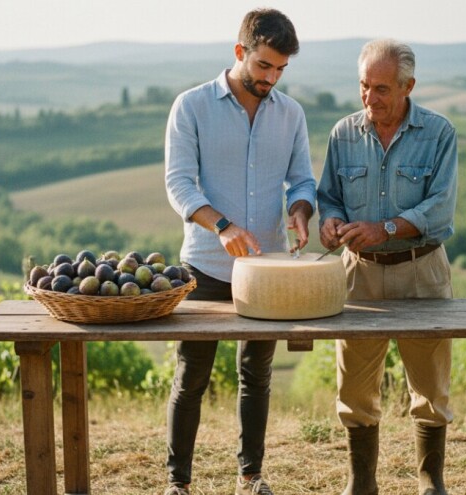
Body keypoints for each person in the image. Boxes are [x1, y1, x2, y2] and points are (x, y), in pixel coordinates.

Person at [163, 8, 316, 495]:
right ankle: (178, 484)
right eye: (263, 66)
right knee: (192, 377)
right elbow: (178, 183)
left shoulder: (291, 113)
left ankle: (250, 477)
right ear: (239, 53)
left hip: (267, 268)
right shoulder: (191, 107)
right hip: (205, 264)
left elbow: (303, 179)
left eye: (280, 70)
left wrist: (300, 210)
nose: (271, 78)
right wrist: (221, 225)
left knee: (257, 374)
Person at [317, 39, 458, 495]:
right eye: (363, 86)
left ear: (407, 86)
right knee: (355, 390)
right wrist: (331, 220)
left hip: (422, 269)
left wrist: (388, 229)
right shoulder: (342, 134)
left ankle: (429, 480)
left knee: (431, 387)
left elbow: (441, 209)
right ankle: (362, 483)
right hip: (358, 274)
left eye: (381, 88)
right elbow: (329, 196)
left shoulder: (439, 133)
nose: (369, 99)